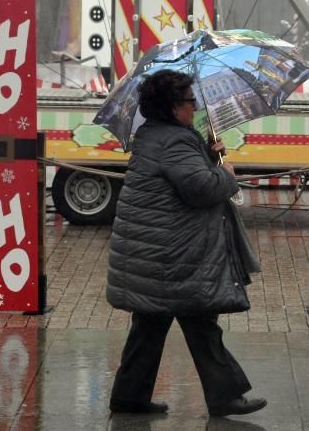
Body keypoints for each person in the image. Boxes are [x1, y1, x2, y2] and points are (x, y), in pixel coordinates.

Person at [107, 69, 266, 417]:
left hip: (155, 253)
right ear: (172, 106)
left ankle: (129, 396)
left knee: (150, 326)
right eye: (190, 101)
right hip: (172, 257)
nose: (194, 107)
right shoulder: (175, 141)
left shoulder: (155, 136)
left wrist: (208, 156)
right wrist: (225, 174)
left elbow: (181, 179)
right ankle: (225, 396)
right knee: (200, 323)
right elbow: (201, 190)